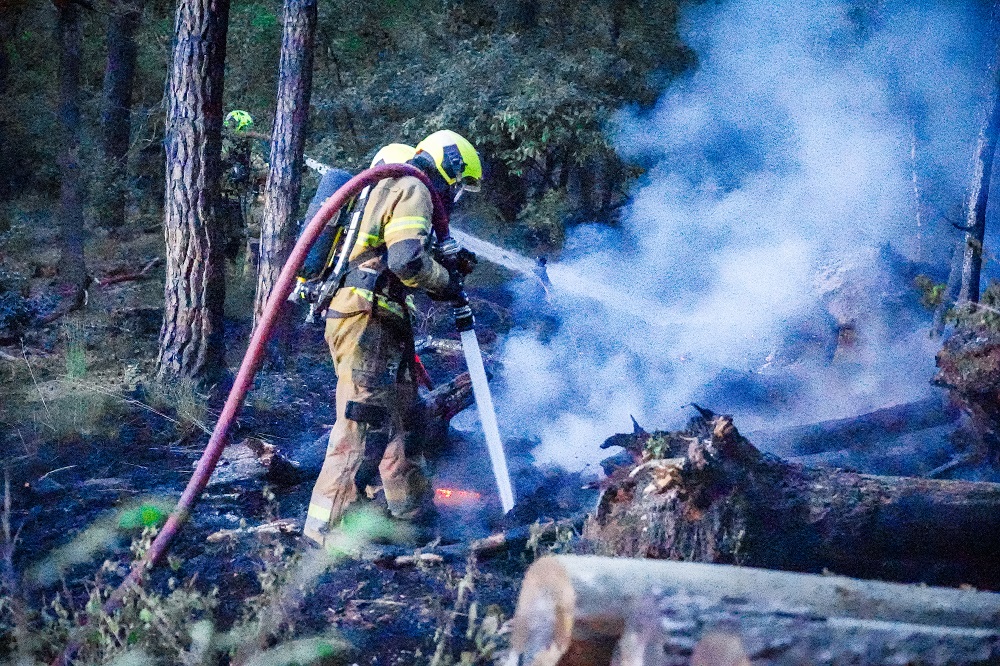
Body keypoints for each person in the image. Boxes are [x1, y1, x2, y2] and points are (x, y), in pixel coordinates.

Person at [303, 131, 483, 547]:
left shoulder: (390, 187)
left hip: (381, 320)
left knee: (405, 423)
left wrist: (447, 264)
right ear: (450, 166)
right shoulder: (413, 186)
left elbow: (397, 253)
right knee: (360, 424)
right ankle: (322, 533)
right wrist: (446, 282)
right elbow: (406, 261)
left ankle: (411, 519)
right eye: (458, 185)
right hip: (367, 318)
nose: (454, 196)